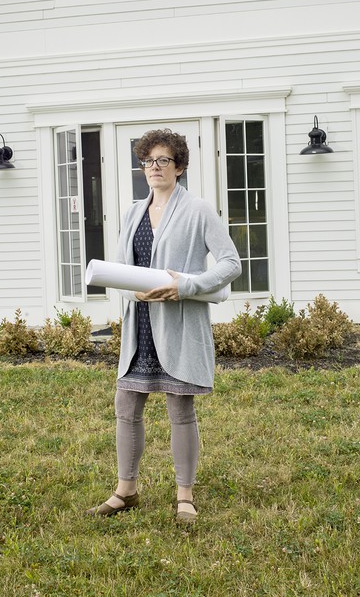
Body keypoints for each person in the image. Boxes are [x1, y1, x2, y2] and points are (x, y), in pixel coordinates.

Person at [86, 129, 241, 525]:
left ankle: (184, 496)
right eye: (148, 161)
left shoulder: (199, 210)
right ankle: (126, 490)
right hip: (138, 327)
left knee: (180, 409)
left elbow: (230, 263)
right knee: (126, 407)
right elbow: (126, 268)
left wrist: (186, 285)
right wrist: (129, 291)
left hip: (177, 325)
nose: (154, 167)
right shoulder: (133, 212)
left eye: (163, 160)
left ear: (180, 166)